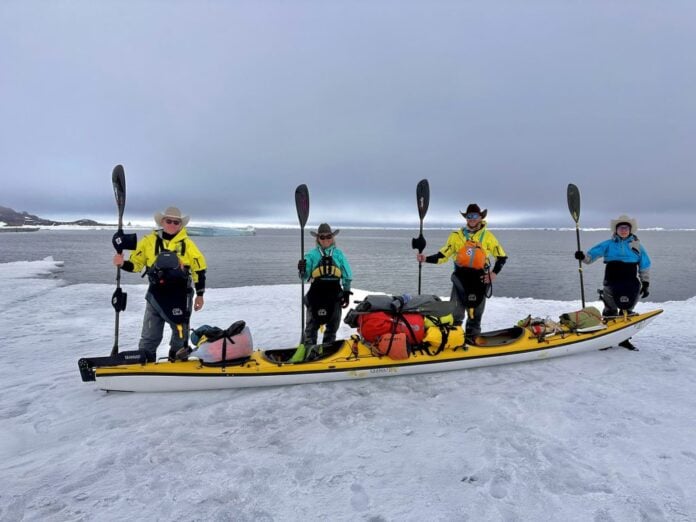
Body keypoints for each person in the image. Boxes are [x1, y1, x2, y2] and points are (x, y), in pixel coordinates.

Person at [113, 206, 207, 362]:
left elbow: (200, 270)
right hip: (156, 296)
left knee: (180, 334)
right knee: (150, 335)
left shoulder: (188, 245)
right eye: (168, 221)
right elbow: (136, 265)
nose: (172, 224)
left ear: (180, 225)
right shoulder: (148, 242)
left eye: (176, 222)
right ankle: (145, 362)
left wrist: (200, 295)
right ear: (162, 222)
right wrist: (122, 263)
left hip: (181, 296)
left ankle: (176, 361)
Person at [416, 203, 507, 339]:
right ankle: (455, 339)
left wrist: (493, 274)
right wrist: (425, 258)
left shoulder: (488, 237)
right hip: (460, 279)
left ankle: (473, 339)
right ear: (466, 218)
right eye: (469, 216)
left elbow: (501, 257)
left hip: (480, 280)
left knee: (476, 314)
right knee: (456, 313)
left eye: (475, 216)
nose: (472, 219)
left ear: (481, 217)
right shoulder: (456, 236)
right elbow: (443, 255)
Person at [574, 214, 651, 350]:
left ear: (630, 229)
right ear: (616, 230)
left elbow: (644, 264)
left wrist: (645, 283)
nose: (623, 230)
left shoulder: (637, 246)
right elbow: (591, 257)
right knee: (610, 310)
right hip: (611, 281)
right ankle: (606, 339)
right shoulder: (608, 244)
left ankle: (624, 340)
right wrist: (583, 256)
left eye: (626, 228)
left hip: (630, 282)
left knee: (627, 311)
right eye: (620, 227)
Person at [297, 223, 353, 345]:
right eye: (322, 237)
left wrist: (346, 292)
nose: (326, 239)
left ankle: (327, 352)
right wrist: (302, 269)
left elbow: (347, 274)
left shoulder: (339, 254)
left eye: (329, 236)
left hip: (335, 294)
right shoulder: (311, 255)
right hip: (316, 294)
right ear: (318, 239)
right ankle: (308, 352)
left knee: (332, 329)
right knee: (311, 329)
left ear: (332, 238)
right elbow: (304, 276)